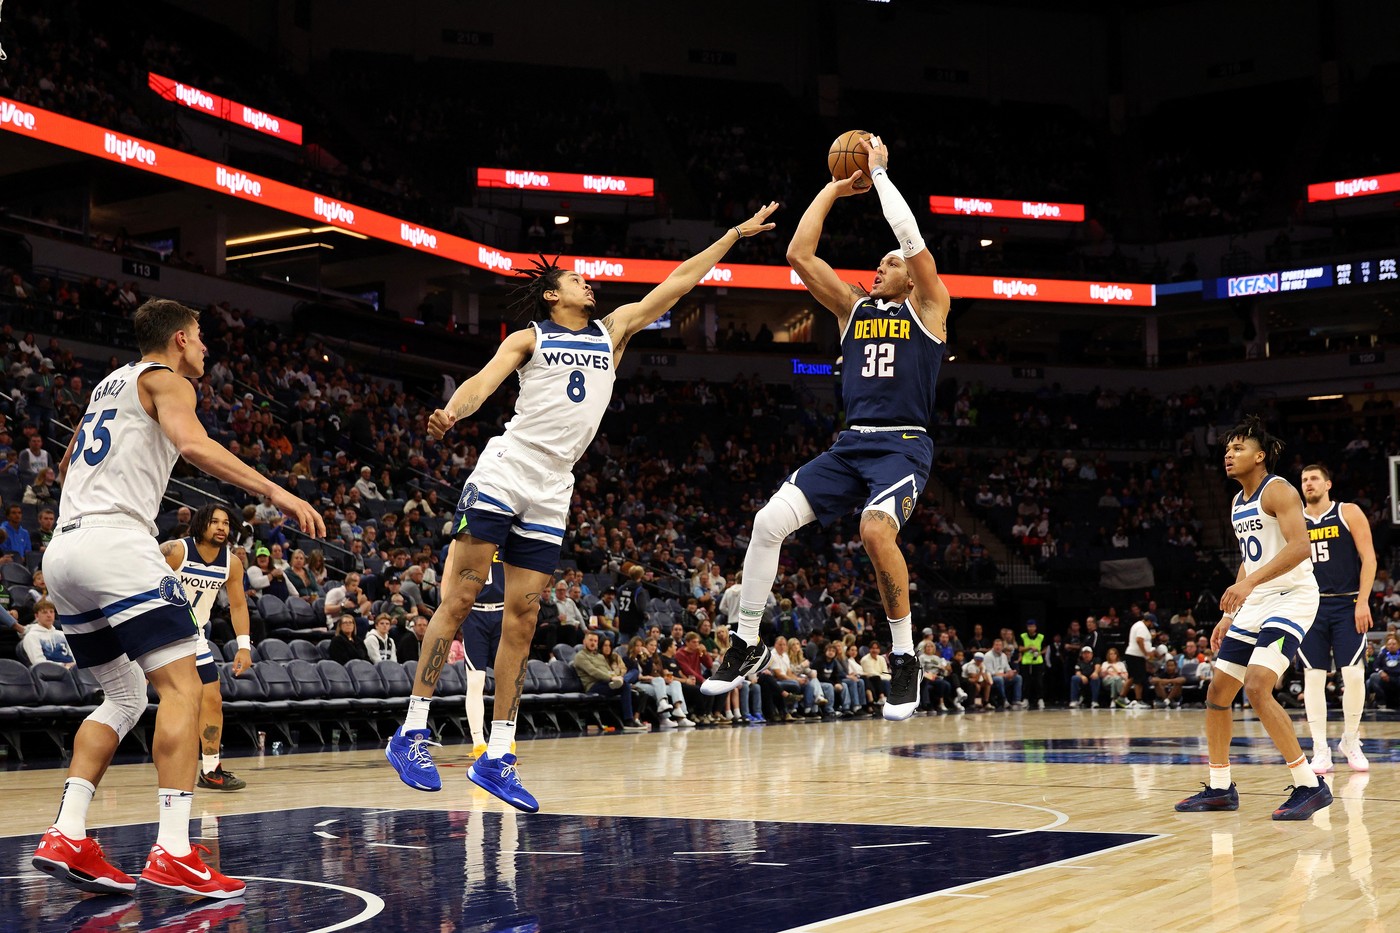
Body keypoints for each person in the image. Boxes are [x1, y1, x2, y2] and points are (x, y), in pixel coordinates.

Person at [385, 202, 779, 811]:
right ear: (551, 296)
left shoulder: (612, 331)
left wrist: (729, 234)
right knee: (460, 599)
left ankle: (499, 755)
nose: (587, 282)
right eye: (574, 279)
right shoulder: (529, 337)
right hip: (507, 469)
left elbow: (677, 283)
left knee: (523, 618)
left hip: (555, 485)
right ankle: (412, 731)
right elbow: (481, 383)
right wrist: (453, 413)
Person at [34, 299, 322, 900]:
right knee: (184, 687)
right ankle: (174, 850)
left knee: (124, 694)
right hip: (117, 544)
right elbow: (192, 446)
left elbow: (66, 465)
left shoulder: (106, 387)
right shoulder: (167, 380)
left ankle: (66, 832)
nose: (207, 351)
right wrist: (274, 490)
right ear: (182, 338)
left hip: (64, 549)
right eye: (202, 340)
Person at [707, 134, 950, 727]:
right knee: (767, 523)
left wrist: (882, 176)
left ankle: (902, 657)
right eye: (880, 261)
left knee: (874, 532)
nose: (881, 265)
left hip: (903, 445)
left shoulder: (932, 307)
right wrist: (837, 188)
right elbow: (797, 253)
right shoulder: (854, 308)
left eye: (891, 263)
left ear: (912, 278)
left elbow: (912, 241)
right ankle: (746, 641)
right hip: (851, 444)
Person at [1176, 416, 1330, 820]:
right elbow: (1252, 556)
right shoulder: (1236, 502)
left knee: (1259, 687)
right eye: (1227, 449)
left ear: (1260, 456)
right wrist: (1232, 612)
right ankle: (1221, 788)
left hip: (1292, 597)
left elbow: (1300, 548)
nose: (1229, 454)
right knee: (1217, 694)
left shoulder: (1278, 489)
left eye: (1238, 448)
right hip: (1257, 600)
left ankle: (1310, 785)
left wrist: (1248, 587)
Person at [161, 504, 252, 792]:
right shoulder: (177, 551)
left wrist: (244, 647)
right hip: (159, 633)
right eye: (215, 522)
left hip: (194, 636)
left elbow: (238, 605)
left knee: (212, 699)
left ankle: (211, 770)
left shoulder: (232, 563)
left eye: (226, 522)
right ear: (201, 524)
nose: (222, 527)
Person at [1298, 464, 1375, 774]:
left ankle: (1350, 739)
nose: (1308, 483)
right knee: (1312, 677)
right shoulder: (1294, 520)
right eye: (1303, 480)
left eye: (1314, 478)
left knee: (1354, 675)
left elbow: (1369, 558)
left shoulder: (1348, 511)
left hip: (1347, 604)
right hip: (1309, 607)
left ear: (1328, 484)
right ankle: (1320, 748)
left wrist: (1363, 601)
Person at [21, 600, 75, 667]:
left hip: (72, 671)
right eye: (44, 612)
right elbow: (39, 662)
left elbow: (74, 657)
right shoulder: (31, 636)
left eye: (51, 612)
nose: (49, 615)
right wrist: (64, 665)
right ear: (36, 616)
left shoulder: (62, 634)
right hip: (50, 673)